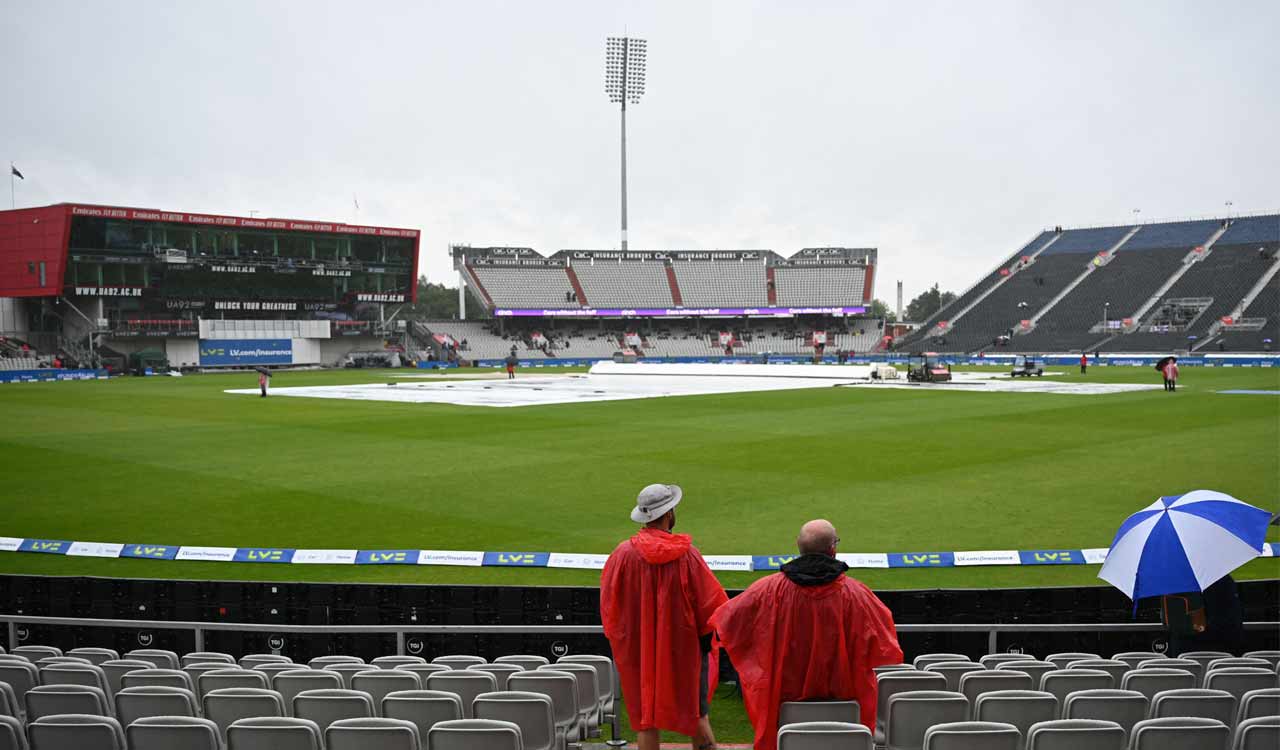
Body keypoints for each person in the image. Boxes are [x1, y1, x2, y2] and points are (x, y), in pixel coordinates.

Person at [711, 520, 902, 750]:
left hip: (783, 706)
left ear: (798, 546)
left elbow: (726, 625)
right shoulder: (859, 595)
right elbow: (887, 652)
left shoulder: (766, 590)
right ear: (833, 549)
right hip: (846, 709)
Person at [601, 484, 728, 750]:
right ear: (669, 513)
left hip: (638, 651)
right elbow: (712, 605)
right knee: (697, 713)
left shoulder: (622, 555)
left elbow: (610, 607)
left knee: (645, 721)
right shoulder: (687, 556)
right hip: (686, 651)